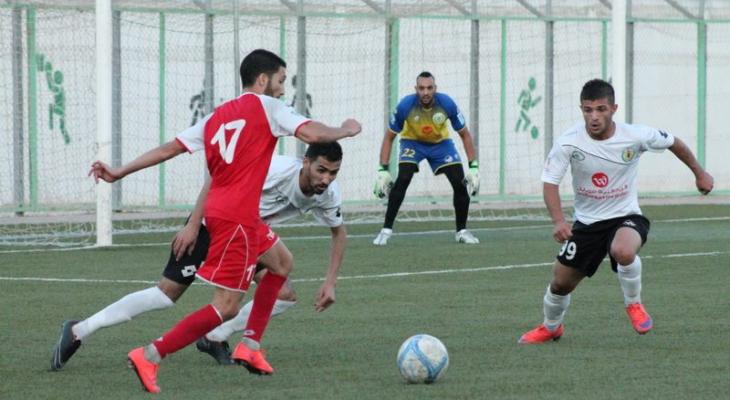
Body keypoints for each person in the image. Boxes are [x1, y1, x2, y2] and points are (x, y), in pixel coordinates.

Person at [80, 49, 360, 393]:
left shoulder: (217, 116)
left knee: (282, 263)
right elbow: (313, 134)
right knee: (226, 307)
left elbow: (170, 149)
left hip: (227, 212)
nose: (283, 89)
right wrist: (345, 129)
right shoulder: (268, 107)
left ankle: (250, 346)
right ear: (263, 80)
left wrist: (120, 171)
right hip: (237, 218)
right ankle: (151, 354)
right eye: (282, 81)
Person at [51, 142, 348, 371]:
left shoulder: (328, 194)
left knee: (283, 293)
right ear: (305, 162)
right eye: (321, 169)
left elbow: (339, 232)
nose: (326, 178)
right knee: (165, 295)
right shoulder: (275, 168)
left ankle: (215, 336)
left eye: (333, 172)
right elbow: (219, 177)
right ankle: (79, 330)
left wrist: (331, 282)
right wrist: (193, 224)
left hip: (247, 236)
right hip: (212, 224)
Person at [518, 79, 713, 344]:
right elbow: (550, 182)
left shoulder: (635, 135)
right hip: (586, 224)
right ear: (581, 109)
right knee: (560, 283)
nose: (594, 117)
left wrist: (699, 173)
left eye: (601, 109)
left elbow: (674, 142)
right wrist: (559, 220)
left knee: (623, 251)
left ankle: (633, 304)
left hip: (626, 216)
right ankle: (551, 327)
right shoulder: (568, 142)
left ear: (614, 109)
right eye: (588, 110)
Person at [372, 71, 480, 246]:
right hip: (412, 143)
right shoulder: (405, 106)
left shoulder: (447, 103)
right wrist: (382, 171)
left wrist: (473, 167)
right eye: (421, 88)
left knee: (460, 183)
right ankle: (385, 231)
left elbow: (465, 135)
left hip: (440, 144)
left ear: (435, 88)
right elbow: (389, 137)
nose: (425, 92)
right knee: (404, 177)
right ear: (416, 89)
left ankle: (462, 231)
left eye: (429, 88)